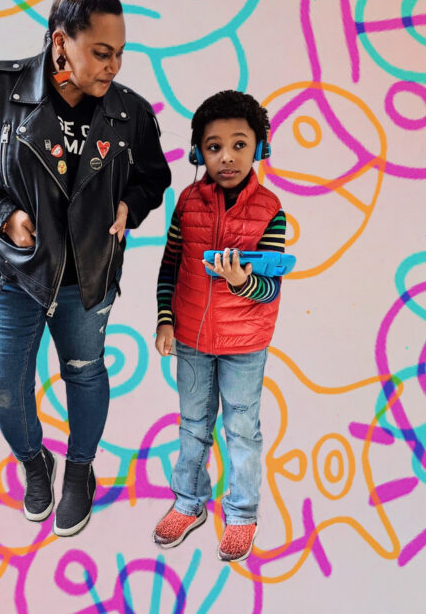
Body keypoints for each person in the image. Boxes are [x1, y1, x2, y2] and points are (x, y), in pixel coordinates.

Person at [0, 0, 170, 537]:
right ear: (61, 42)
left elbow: (153, 177)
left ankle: (80, 468)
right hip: (7, 274)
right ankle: (36, 462)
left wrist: (132, 204)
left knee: (85, 372)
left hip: (89, 278)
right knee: (7, 389)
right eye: (101, 52)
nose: (113, 66)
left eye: (120, 54)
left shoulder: (130, 112)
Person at [152, 90, 286, 561]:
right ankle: (189, 503)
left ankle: (243, 513)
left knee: (241, 430)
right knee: (192, 425)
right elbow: (170, 265)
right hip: (189, 338)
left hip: (244, 344)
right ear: (197, 152)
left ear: (259, 149)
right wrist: (165, 319)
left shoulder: (270, 210)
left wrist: (242, 282)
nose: (226, 157)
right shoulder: (187, 202)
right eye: (213, 147)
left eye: (239, 145)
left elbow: (271, 289)